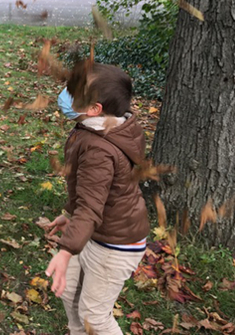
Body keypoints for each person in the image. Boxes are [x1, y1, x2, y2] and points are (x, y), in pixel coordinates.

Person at [44, 62, 149, 335]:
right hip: (95, 232)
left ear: (94, 109)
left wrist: (66, 251)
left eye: (72, 91)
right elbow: (90, 191)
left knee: (93, 315)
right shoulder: (95, 128)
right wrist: (69, 216)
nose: (64, 94)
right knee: (70, 294)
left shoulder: (100, 148)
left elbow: (91, 206)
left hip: (116, 243)